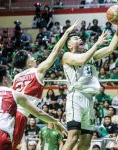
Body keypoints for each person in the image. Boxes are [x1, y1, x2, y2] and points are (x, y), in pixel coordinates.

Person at [12, 20, 79, 149]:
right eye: (32, 57)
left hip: (9, 112)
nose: (35, 59)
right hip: (20, 115)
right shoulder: (38, 70)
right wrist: (66, 32)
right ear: (28, 63)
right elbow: (55, 51)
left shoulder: (16, 78)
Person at [0, 65, 64, 150]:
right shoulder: (15, 93)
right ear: (4, 78)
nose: (11, 78)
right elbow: (38, 113)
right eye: (9, 75)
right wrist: (55, 121)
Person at [62, 23, 118, 150]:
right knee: (73, 137)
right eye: (75, 39)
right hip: (76, 97)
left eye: (79, 38)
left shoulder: (91, 55)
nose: (79, 39)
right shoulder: (67, 56)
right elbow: (81, 60)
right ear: (69, 45)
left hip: (90, 100)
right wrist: (97, 44)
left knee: (86, 141)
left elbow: (112, 47)